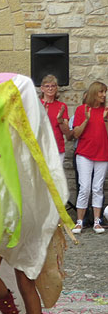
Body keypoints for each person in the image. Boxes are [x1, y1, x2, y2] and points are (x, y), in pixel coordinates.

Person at [71, 81, 108, 234]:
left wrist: (105, 120)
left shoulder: (106, 111)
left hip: (102, 153)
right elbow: (76, 134)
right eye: (101, 92)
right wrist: (86, 119)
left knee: (97, 188)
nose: (104, 95)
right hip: (84, 153)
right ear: (94, 93)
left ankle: (97, 221)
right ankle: (79, 222)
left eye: (105, 92)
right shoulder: (82, 110)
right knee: (85, 187)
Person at [40, 74, 71, 166]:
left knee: (56, 175)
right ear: (42, 89)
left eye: (53, 86)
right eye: (47, 86)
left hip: (57, 148)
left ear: (56, 88)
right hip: (41, 147)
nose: (50, 88)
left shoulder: (62, 106)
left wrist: (60, 120)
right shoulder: (37, 104)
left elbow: (67, 133)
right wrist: (42, 116)